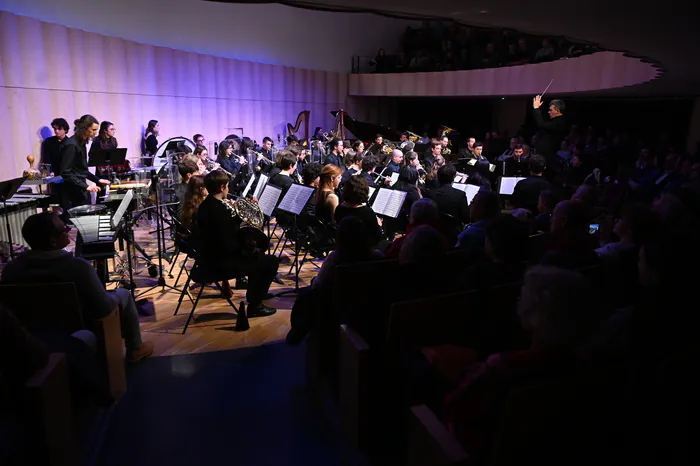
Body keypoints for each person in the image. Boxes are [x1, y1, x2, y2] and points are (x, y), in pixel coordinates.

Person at [1, 213, 154, 362]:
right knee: (123, 294)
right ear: (53, 241)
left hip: (31, 334)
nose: (68, 231)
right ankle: (135, 348)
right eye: (64, 230)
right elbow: (103, 309)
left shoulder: (11, 270)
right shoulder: (78, 268)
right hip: (76, 332)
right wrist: (113, 295)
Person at [196, 170, 279, 315]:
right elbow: (229, 242)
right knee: (269, 261)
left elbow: (226, 231)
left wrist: (238, 216)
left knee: (258, 255)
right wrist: (248, 248)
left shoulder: (207, 205)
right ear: (222, 187)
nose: (228, 189)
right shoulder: (219, 210)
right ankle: (255, 305)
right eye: (227, 186)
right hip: (219, 263)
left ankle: (257, 294)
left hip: (209, 258)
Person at [58, 115, 111, 210]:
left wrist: (97, 180)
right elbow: (65, 173)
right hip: (72, 192)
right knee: (78, 221)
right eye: (93, 130)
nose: (95, 133)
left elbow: (82, 170)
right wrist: (85, 186)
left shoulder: (81, 144)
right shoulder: (71, 145)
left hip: (80, 189)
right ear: (85, 129)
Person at [532, 96, 567, 164]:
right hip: (544, 156)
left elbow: (541, 125)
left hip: (548, 158)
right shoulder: (555, 120)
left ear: (557, 111)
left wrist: (536, 108)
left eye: (551, 110)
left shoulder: (560, 121)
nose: (548, 112)